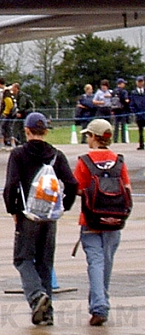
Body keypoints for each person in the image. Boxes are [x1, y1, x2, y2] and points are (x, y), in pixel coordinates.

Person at [2, 112, 78, 326]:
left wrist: (14, 211)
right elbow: (71, 184)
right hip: (49, 216)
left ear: (26, 131)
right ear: (45, 131)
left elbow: (11, 186)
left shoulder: (18, 155)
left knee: (23, 259)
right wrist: (64, 206)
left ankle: (36, 296)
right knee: (45, 262)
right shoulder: (56, 154)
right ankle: (47, 313)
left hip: (28, 215)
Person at [74, 118, 131, 326]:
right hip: (114, 220)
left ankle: (99, 306)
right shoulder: (119, 160)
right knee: (106, 262)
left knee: (95, 263)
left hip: (90, 220)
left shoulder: (84, 161)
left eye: (88, 135)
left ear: (94, 137)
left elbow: (78, 188)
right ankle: (101, 302)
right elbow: (127, 188)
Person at [112, 78, 130, 144]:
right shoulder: (124, 91)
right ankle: (123, 139)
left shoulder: (114, 91)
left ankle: (115, 139)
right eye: (123, 83)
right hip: (122, 110)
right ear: (121, 84)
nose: (124, 84)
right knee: (123, 125)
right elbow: (126, 100)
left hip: (115, 109)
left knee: (116, 125)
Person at [130, 76, 145, 150]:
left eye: (141, 81)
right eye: (139, 82)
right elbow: (132, 104)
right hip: (139, 114)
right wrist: (135, 112)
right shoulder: (134, 93)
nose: (140, 83)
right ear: (136, 83)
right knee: (140, 130)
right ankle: (141, 144)